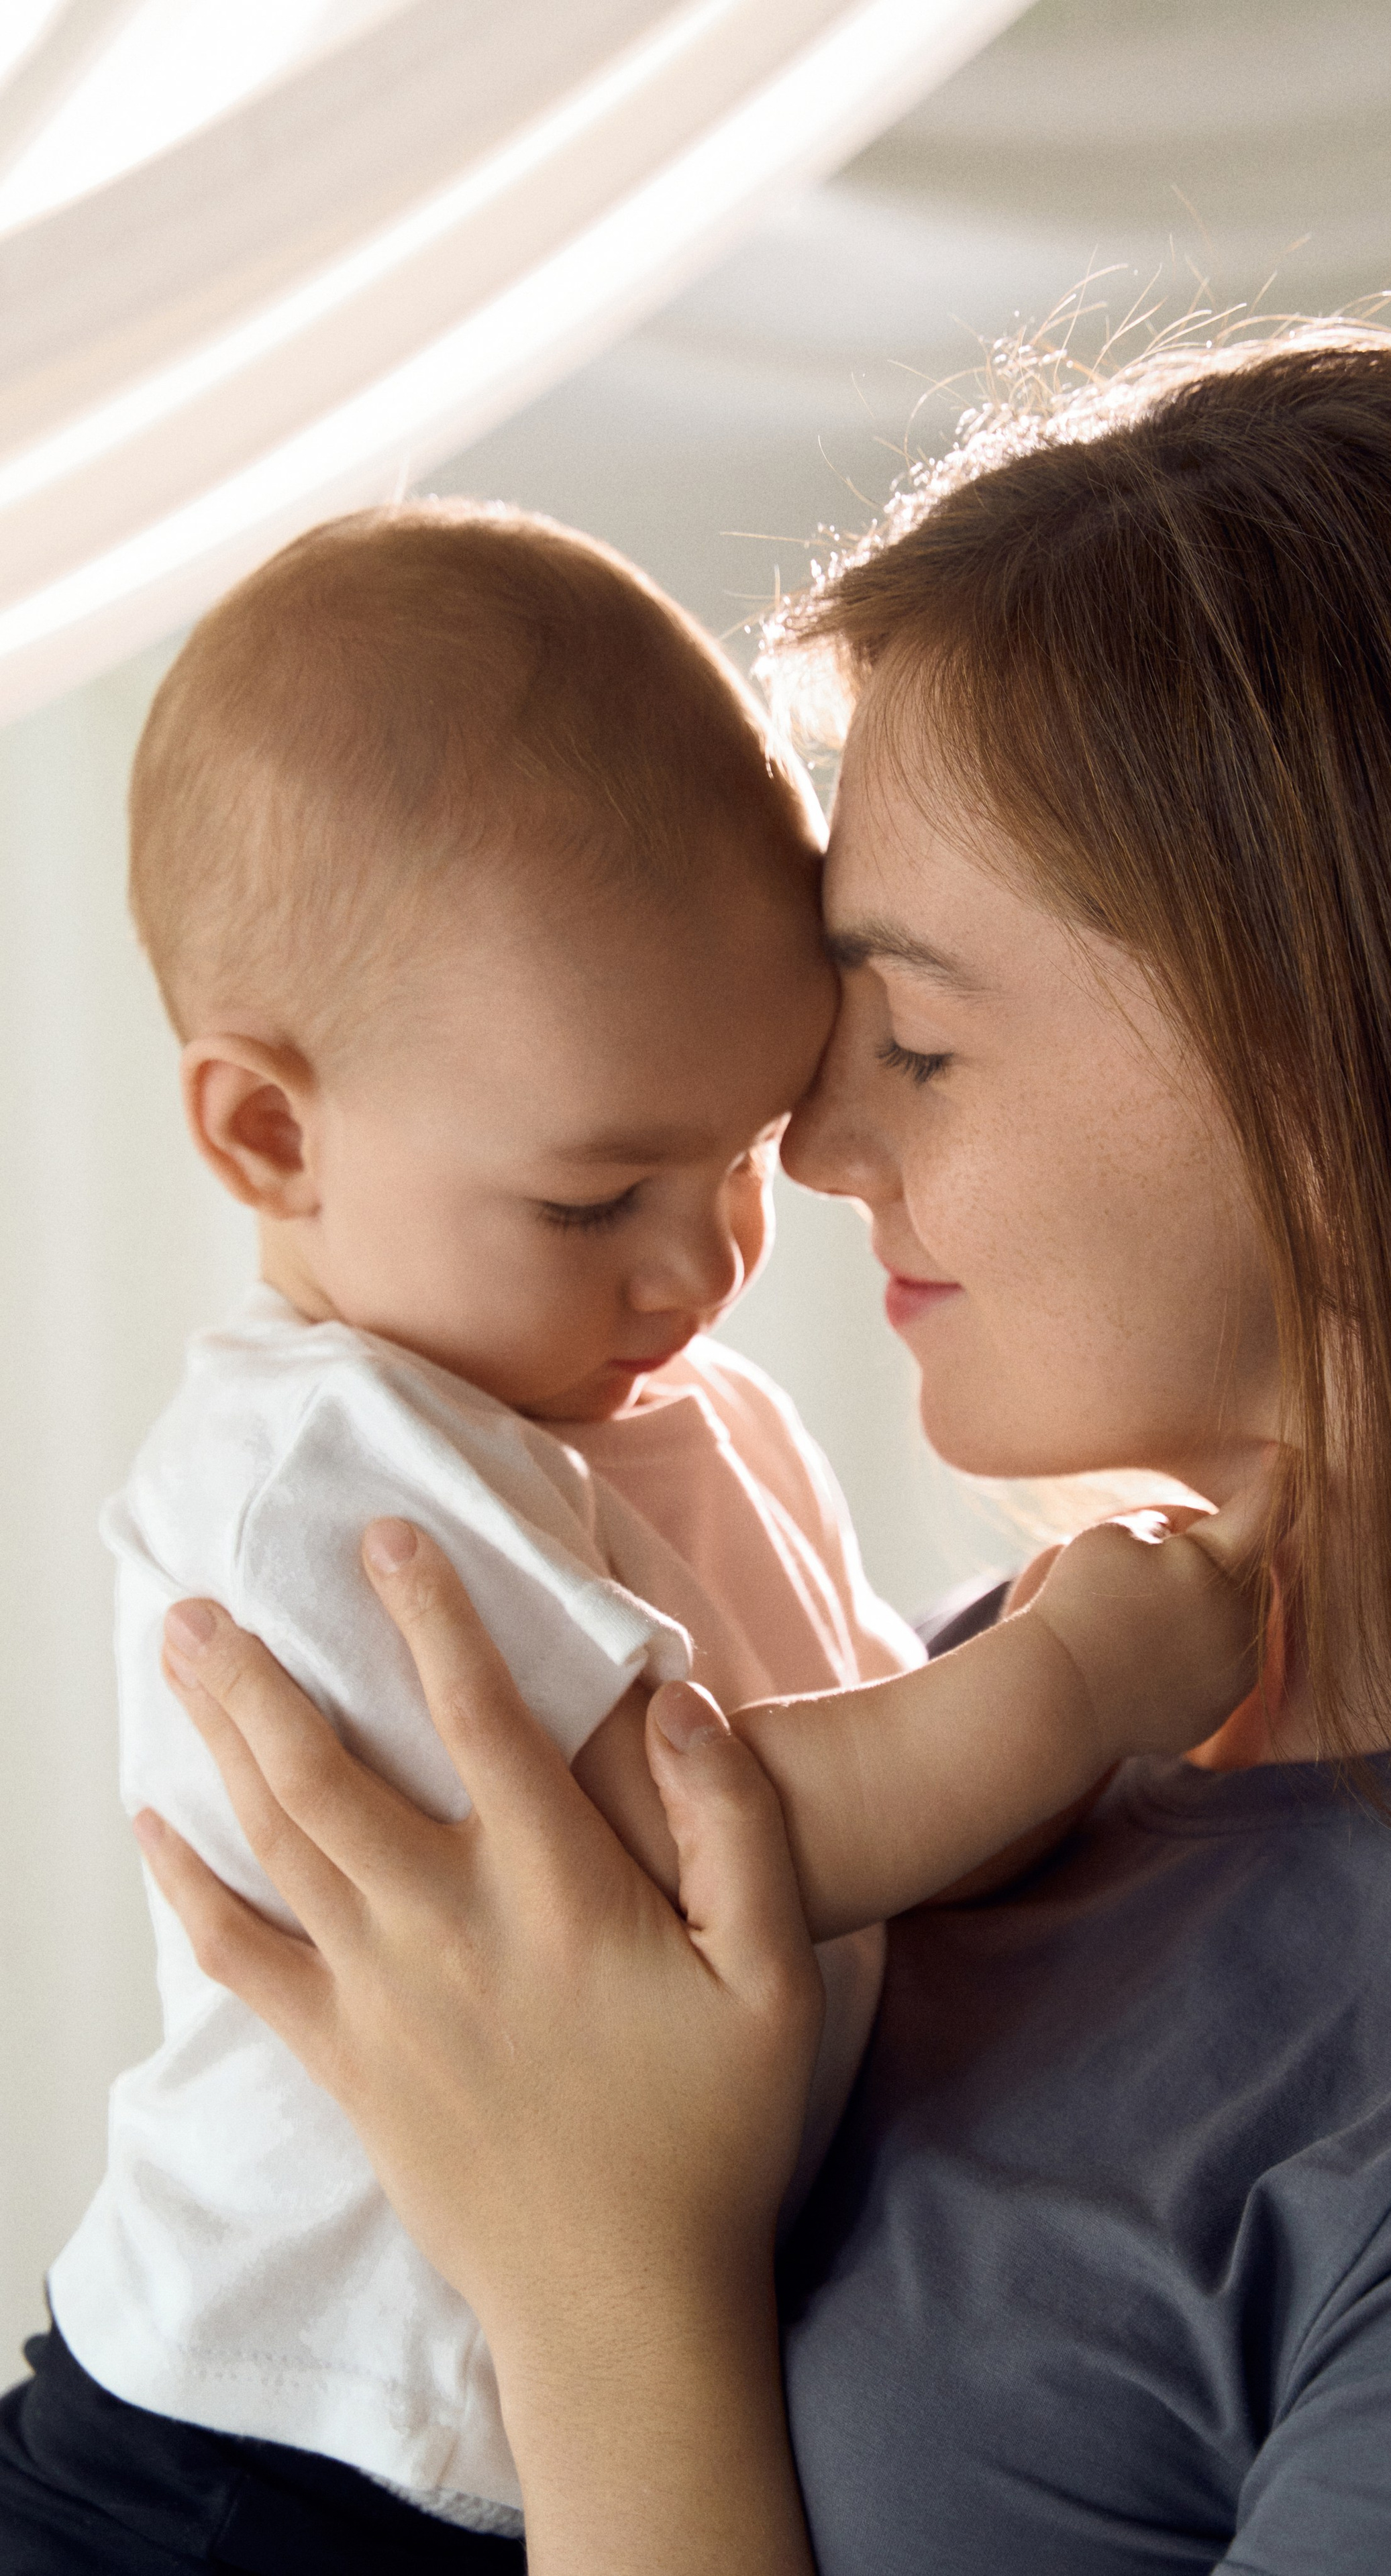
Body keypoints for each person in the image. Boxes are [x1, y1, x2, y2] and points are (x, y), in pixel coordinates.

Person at [0, 500, 1272, 2569]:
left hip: (506, 2418)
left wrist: (1019, 1682)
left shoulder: (678, 1419)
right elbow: (714, 1847)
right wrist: (1070, 1684)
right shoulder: (327, 1475)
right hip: (260, 2464)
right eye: (599, 1200)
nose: (707, 1262)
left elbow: (876, 1765)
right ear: (267, 1134)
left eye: (740, 1152)